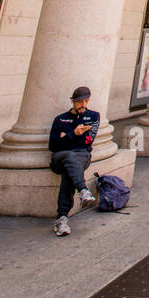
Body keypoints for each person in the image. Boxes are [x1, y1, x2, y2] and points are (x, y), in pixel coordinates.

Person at [49, 86, 100, 237]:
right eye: (79, 102)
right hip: (60, 156)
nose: (83, 105)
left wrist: (66, 136)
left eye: (86, 101)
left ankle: (62, 218)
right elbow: (53, 145)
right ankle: (82, 190)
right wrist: (75, 133)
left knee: (69, 170)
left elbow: (87, 141)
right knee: (70, 159)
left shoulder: (94, 116)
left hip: (81, 155)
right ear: (72, 101)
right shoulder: (60, 119)